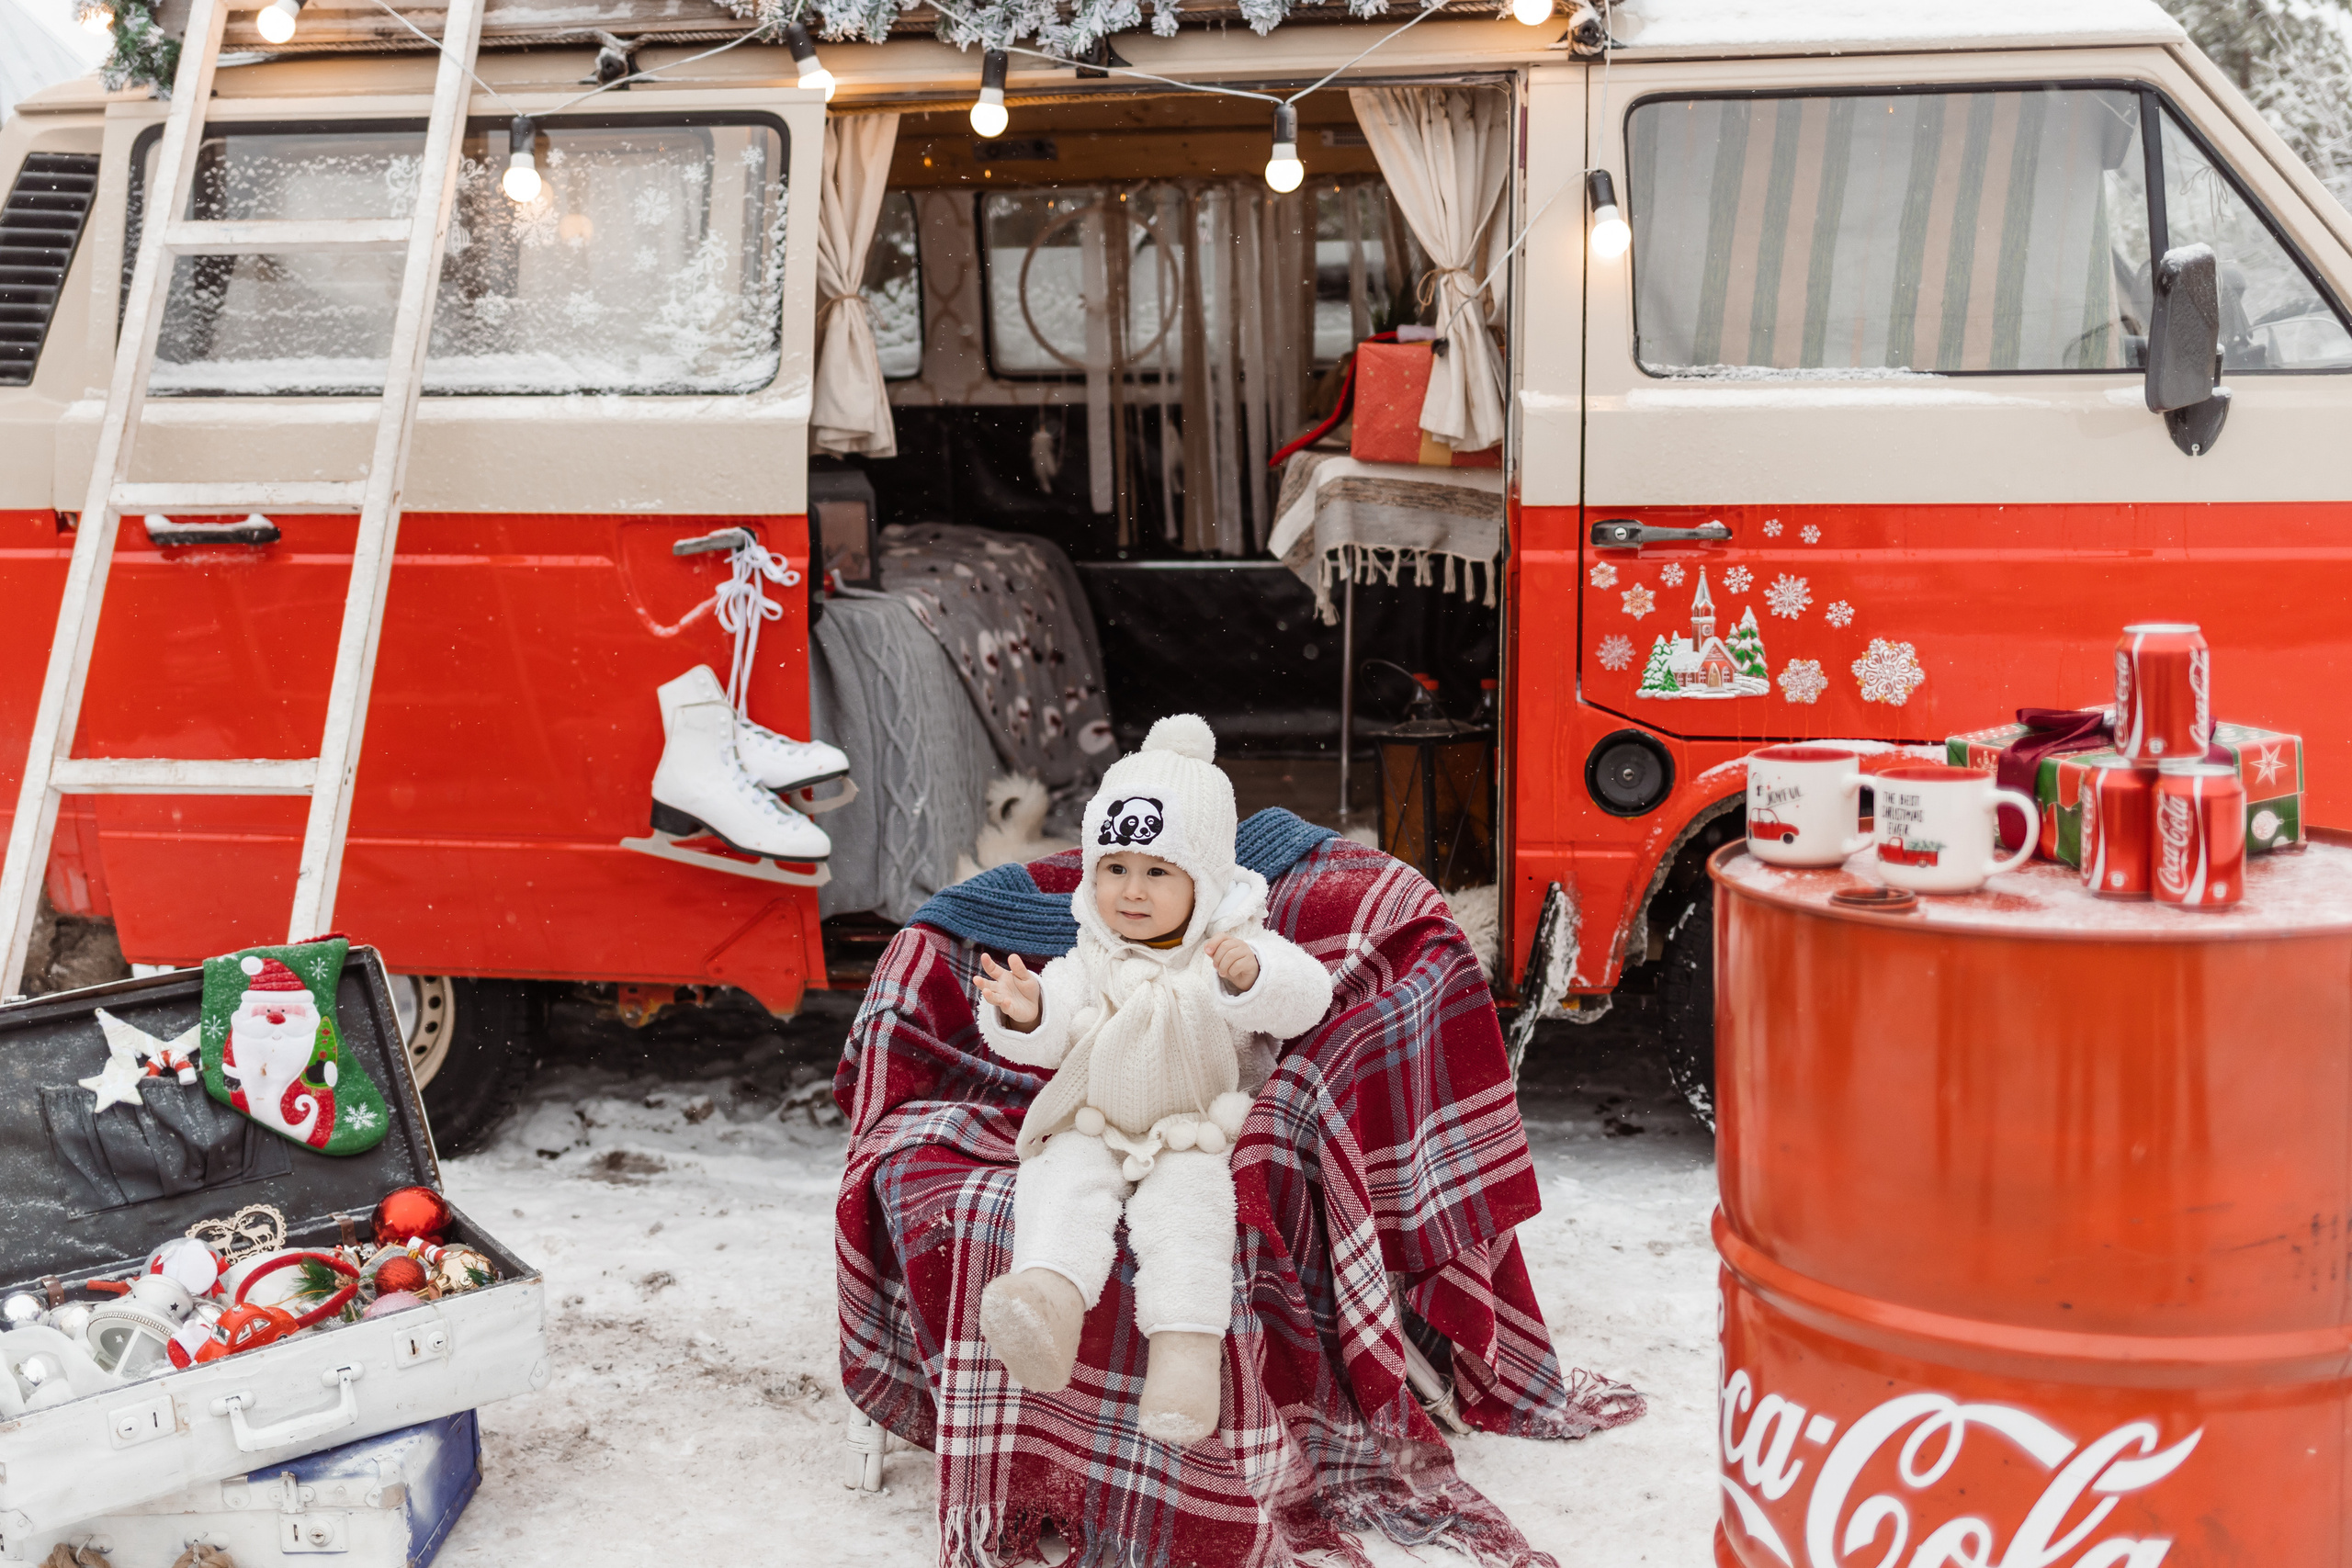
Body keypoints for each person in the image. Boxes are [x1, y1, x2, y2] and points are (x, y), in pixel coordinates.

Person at [971, 714, 1334, 1446]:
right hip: (1094, 1117)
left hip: (1192, 1131)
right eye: (1114, 869)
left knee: (1190, 1220)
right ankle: (1047, 1298)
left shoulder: (1234, 943)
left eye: (1157, 873)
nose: (1130, 893)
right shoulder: (1090, 955)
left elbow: (1308, 995)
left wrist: (1255, 976)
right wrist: (1031, 1009)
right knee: (1059, 1180)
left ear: (1203, 879)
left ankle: (1185, 1362)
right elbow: (1053, 1035)